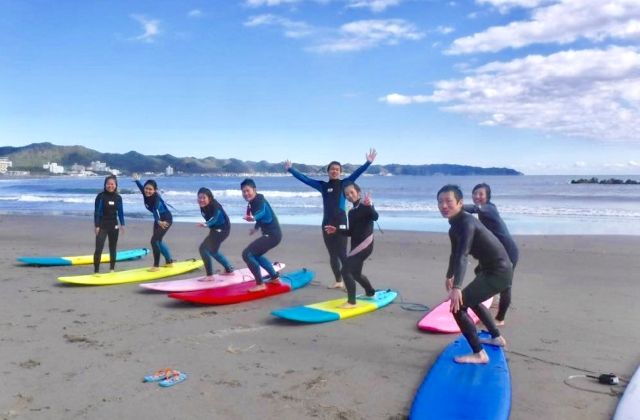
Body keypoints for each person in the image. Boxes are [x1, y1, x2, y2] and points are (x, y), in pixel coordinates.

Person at [437, 184, 512, 364]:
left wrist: (457, 288)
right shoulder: (454, 227)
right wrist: (450, 275)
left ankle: (479, 354)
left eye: (449, 201)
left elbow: (463, 255)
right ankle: (496, 337)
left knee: (458, 307)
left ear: (460, 203)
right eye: (440, 202)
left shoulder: (467, 223)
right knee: (473, 300)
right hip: (491, 270)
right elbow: (455, 253)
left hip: (499, 272)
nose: (444, 206)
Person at [284, 148, 377, 289]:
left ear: (340, 172)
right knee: (332, 254)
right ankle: (338, 281)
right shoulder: (323, 185)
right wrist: (291, 170)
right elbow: (306, 179)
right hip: (326, 223)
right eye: (332, 169)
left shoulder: (345, 183)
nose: (335, 171)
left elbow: (357, 173)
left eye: (337, 169)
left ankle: (348, 282)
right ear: (328, 171)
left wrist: (367, 163)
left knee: (342, 253)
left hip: (340, 223)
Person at [464, 183, 519, 325]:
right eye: (475, 193)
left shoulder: (489, 208)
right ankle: (491, 293)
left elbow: (475, 208)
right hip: (496, 253)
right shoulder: (484, 211)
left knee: (506, 286)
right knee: (479, 271)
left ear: (487, 196)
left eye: (480, 194)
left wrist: (456, 207)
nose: (477, 196)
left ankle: (500, 318)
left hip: (508, 252)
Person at [324, 182, 378, 309]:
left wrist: (370, 206)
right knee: (355, 273)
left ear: (358, 192)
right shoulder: (352, 212)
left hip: (365, 245)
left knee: (345, 270)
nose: (349, 195)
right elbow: (351, 232)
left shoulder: (365, 205)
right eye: (346, 194)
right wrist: (336, 230)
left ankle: (352, 302)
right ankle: (370, 292)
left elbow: (375, 217)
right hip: (356, 246)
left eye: (351, 192)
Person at [240, 179, 282, 292]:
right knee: (255, 255)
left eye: (247, 190)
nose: (245, 194)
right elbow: (265, 217)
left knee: (247, 254)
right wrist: (256, 228)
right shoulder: (254, 202)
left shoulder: (260, 201)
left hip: (273, 235)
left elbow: (262, 212)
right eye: (243, 191)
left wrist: (254, 218)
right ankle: (274, 277)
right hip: (273, 234)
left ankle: (260, 284)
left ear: (254, 190)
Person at [133, 174, 173, 271]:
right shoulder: (145, 192)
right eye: (146, 188)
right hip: (158, 220)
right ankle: (169, 262)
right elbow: (140, 187)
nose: (147, 191)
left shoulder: (156, 198)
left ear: (155, 190)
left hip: (165, 219)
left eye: (150, 189)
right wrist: (137, 180)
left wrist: (159, 221)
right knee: (158, 240)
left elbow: (155, 210)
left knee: (154, 240)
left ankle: (156, 266)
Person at [196, 187, 234, 281]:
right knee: (213, 251)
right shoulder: (203, 206)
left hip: (223, 230)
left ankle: (210, 276)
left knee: (203, 248)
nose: (201, 200)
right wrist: (209, 225)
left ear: (210, 198)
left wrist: (206, 224)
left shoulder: (215, 206)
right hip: (215, 229)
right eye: (199, 197)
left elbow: (215, 218)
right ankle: (229, 269)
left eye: (204, 197)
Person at [93, 175, 125, 273]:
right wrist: (97, 225)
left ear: (115, 185)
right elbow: (97, 212)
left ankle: (112, 269)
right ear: (105, 185)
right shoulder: (101, 196)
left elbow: (120, 212)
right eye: (108, 184)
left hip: (113, 225)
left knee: (113, 247)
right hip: (102, 225)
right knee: (99, 247)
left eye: (112, 184)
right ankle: (96, 271)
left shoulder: (118, 198)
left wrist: (122, 224)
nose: (110, 186)